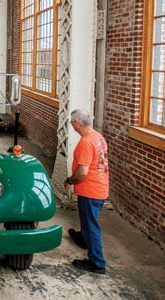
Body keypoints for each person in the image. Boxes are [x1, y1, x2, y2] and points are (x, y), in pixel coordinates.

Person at [63, 108, 109, 274]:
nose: (72, 126)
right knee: (89, 219)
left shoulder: (86, 142)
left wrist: (69, 180)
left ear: (76, 123)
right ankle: (83, 238)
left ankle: (97, 262)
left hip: (90, 190)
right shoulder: (98, 137)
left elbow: (82, 172)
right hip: (101, 186)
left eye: (72, 123)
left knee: (91, 225)